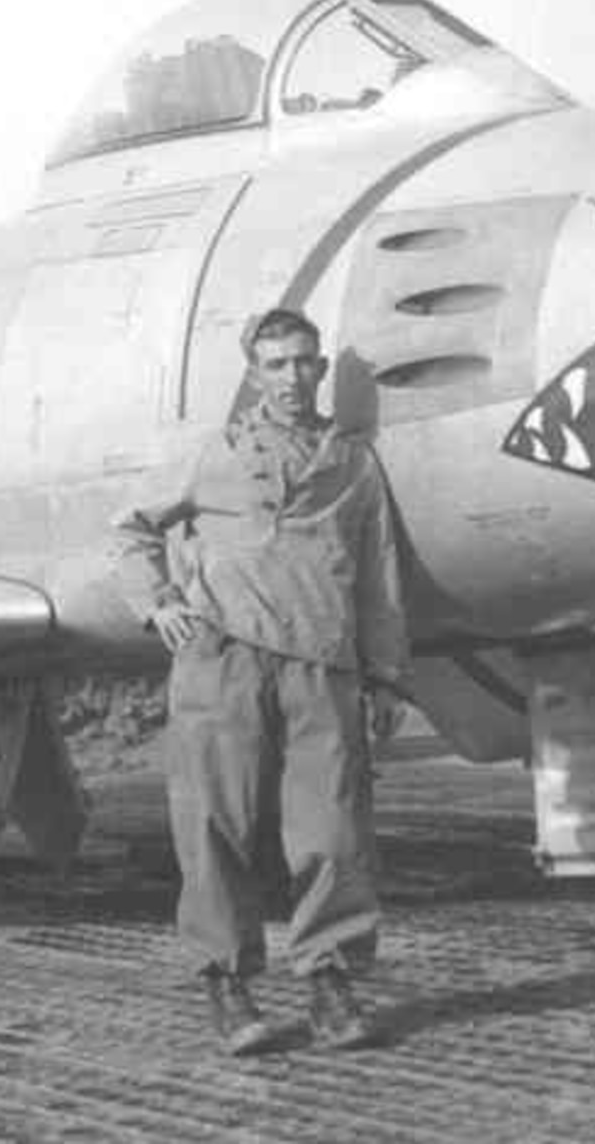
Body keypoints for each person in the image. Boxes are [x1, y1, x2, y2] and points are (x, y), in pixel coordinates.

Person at [112, 307, 409, 1055]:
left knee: (332, 832)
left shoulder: (353, 464)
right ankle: (225, 983)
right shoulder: (213, 454)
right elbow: (131, 528)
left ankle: (329, 982)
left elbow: (380, 580)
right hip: (224, 662)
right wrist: (159, 605)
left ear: (320, 368)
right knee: (219, 826)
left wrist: (387, 677)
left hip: (324, 667)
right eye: (275, 364)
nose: (292, 378)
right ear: (253, 373)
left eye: (305, 362)